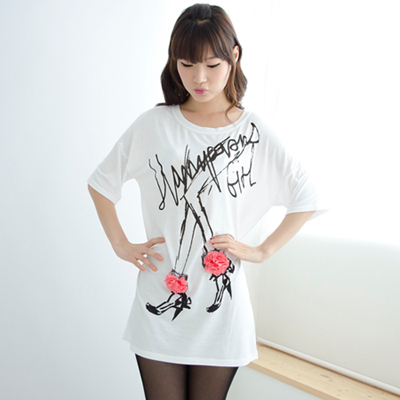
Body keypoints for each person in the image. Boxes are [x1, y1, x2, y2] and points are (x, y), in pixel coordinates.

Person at [87, 3, 327, 400]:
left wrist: (262, 251)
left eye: (212, 65)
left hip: (221, 315)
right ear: (174, 62)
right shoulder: (154, 125)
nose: (199, 78)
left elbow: (307, 195)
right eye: (186, 64)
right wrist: (120, 244)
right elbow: (101, 183)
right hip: (158, 299)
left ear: (234, 56)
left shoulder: (252, 131)